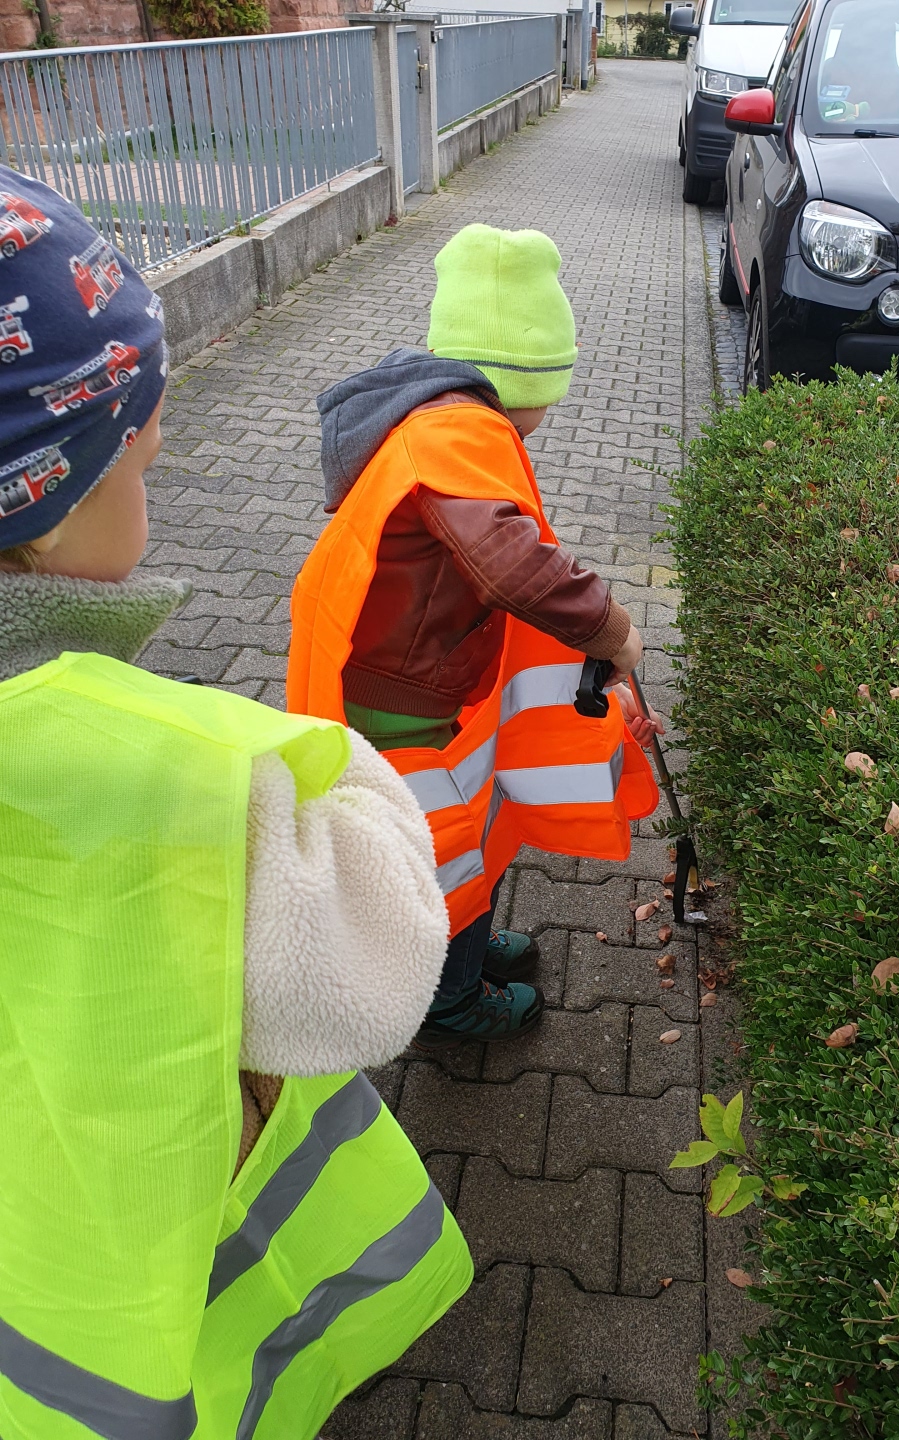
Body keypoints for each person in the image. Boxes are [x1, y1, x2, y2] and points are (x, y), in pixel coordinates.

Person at [0, 170, 472, 1440]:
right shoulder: (167, 770)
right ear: (38, 516)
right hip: (118, 1352)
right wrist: (324, 761)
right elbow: (376, 969)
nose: (159, 462)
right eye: (137, 453)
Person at [288, 223, 662, 1048]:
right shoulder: (456, 434)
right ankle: (450, 1002)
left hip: (418, 673)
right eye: (543, 404)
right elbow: (509, 560)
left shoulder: (433, 413)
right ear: (515, 374)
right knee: (443, 849)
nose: (540, 426)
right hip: (404, 693)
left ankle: (467, 949)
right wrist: (613, 628)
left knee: (467, 823)